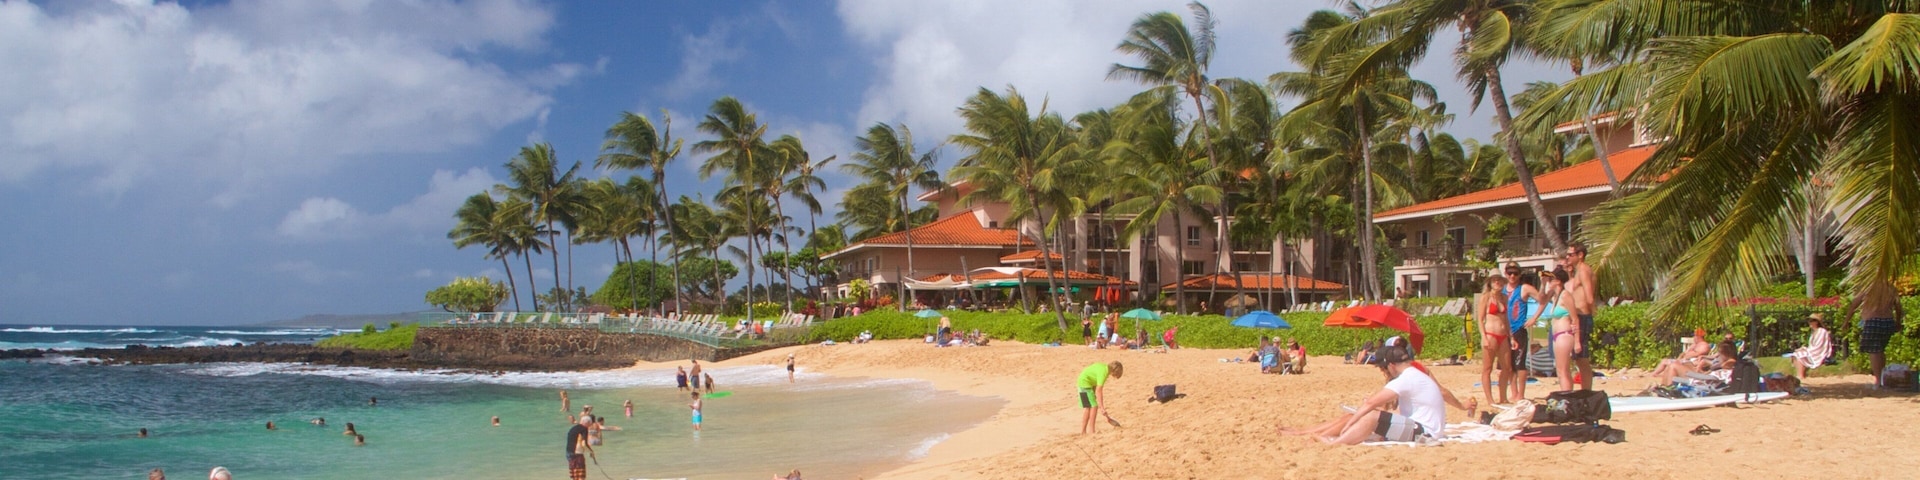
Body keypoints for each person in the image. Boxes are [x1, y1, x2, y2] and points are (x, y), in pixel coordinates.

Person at [1279, 345, 1458, 445]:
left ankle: (1335, 442)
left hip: (1424, 432)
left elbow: (1372, 403)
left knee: (1368, 415)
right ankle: (1303, 432)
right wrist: (1353, 418)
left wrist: (1350, 424)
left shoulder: (1407, 378)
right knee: (1354, 415)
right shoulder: (1414, 375)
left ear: (1392, 365)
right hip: (1421, 427)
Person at [1502, 263, 1549, 401]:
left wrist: (1534, 318)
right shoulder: (1502, 290)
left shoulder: (1524, 288)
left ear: (1519, 274)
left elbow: (1542, 300)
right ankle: (1514, 392)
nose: (1512, 276)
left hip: (1518, 330)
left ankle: (1520, 394)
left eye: (1515, 273)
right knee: (1508, 364)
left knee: (1520, 363)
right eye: (1509, 273)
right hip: (1505, 331)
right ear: (1505, 273)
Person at [1562, 243, 1600, 390]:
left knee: (1582, 357)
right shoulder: (1578, 271)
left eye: (1571, 254)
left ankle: (1586, 391)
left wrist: (1590, 311)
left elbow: (1589, 297)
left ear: (1580, 255)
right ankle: (1585, 390)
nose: (1568, 257)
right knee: (1578, 358)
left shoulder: (1584, 270)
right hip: (1579, 315)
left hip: (1583, 316)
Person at [1855, 283, 1902, 388]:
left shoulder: (1868, 287)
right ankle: (1881, 378)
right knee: (1880, 349)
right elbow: (1898, 307)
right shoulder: (1891, 288)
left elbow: (1855, 303)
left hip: (1873, 320)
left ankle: (1878, 380)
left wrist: (1846, 321)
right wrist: (1898, 321)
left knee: (1874, 351)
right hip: (1888, 321)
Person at [1545, 268, 1583, 392]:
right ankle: (1565, 393)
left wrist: (1577, 341)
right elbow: (1541, 297)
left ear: (1558, 281)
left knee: (1563, 370)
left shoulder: (1565, 296)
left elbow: (1575, 319)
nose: (1549, 282)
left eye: (1551, 279)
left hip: (1564, 334)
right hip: (1557, 335)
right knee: (1560, 370)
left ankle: (1567, 395)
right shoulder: (1556, 297)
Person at [1476, 275, 1511, 405]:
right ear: (1490, 282)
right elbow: (1480, 319)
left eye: (1500, 280)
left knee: (1507, 367)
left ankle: (1503, 397)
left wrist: (1510, 336)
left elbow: (1506, 319)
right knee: (1488, 368)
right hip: (1490, 334)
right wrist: (1483, 337)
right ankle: (1490, 399)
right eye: (1495, 280)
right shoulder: (1486, 297)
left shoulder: (1504, 298)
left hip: (1503, 334)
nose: (1497, 282)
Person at [1077, 361, 1123, 434]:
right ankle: (1091, 431)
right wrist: (1102, 408)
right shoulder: (1104, 373)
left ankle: (1083, 431)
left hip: (1082, 381)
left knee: (1088, 407)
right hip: (1085, 384)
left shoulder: (1103, 367)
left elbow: (1093, 378)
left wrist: (1093, 393)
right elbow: (1099, 390)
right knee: (1094, 407)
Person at [1791, 314, 1833, 379]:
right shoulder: (1813, 332)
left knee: (1799, 354)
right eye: (1809, 320)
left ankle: (1801, 376)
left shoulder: (1822, 331)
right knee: (1795, 354)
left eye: (1811, 321)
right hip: (1813, 351)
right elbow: (1812, 346)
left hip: (1819, 353)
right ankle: (1799, 373)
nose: (1809, 322)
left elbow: (1819, 347)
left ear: (1816, 322)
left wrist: (1805, 349)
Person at [564, 414, 594, 480]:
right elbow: (584, 444)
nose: (589, 426)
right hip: (577, 454)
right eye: (590, 424)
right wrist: (591, 452)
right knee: (581, 476)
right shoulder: (584, 429)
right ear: (587, 423)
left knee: (574, 476)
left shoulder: (573, 428)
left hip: (569, 453)